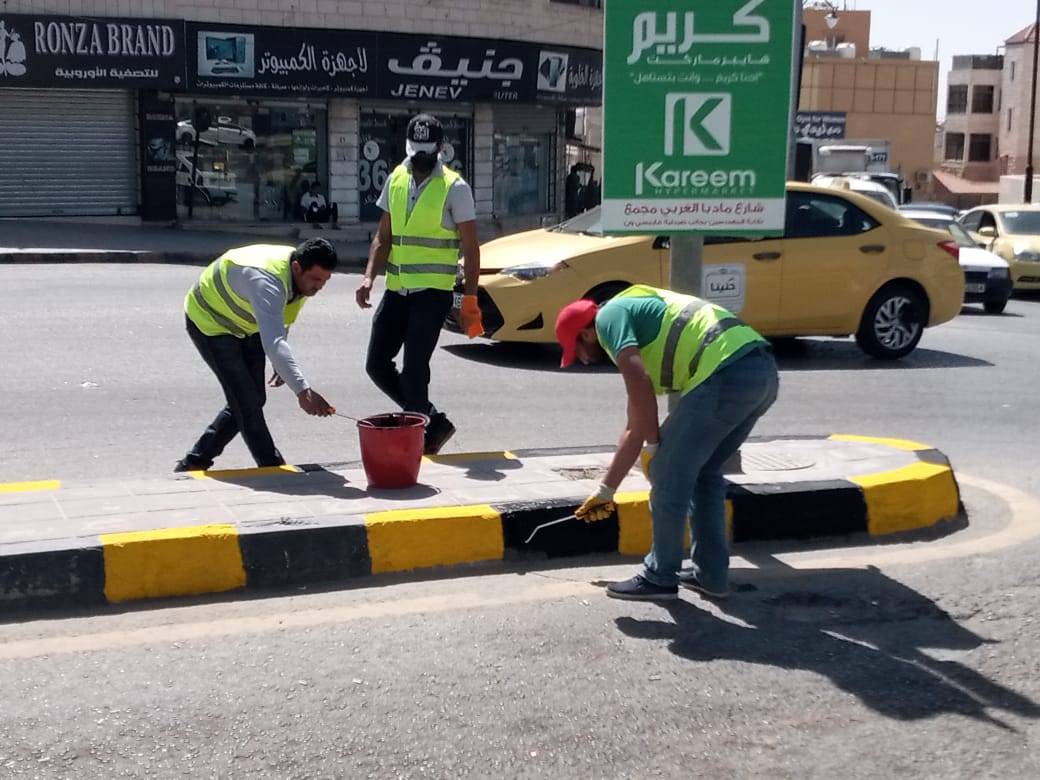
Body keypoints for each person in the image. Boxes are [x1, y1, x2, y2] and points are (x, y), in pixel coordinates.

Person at [555, 284, 779, 601]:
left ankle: (659, 576)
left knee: (666, 473)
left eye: (576, 350)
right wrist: (606, 490)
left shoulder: (608, 318)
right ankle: (711, 575)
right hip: (761, 372)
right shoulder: (636, 311)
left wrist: (655, 449)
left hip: (725, 373)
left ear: (586, 333)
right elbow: (636, 423)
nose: (583, 359)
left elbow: (639, 381)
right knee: (705, 474)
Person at [356, 113, 483, 455]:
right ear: (408, 148)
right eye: (416, 154)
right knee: (376, 364)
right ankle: (430, 419)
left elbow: (471, 250)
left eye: (427, 154)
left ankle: (418, 439)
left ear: (440, 149)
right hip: (397, 291)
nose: (420, 161)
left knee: (414, 371)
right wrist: (369, 276)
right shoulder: (396, 178)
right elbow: (383, 236)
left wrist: (469, 301)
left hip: (432, 294)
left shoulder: (455, 188)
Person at [175, 238, 338, 472]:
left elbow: (281, 325)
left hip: (247, 325)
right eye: (315, 279)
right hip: (211, 321)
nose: (319, 286)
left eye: (325, 280)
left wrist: (281, 365)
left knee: (251, 400)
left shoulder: (300, 282)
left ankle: (193, 462)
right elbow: (273, 341)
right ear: (296, 268)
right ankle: (272, 467)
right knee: (247, 403)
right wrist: (303, 391)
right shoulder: (268, 281)